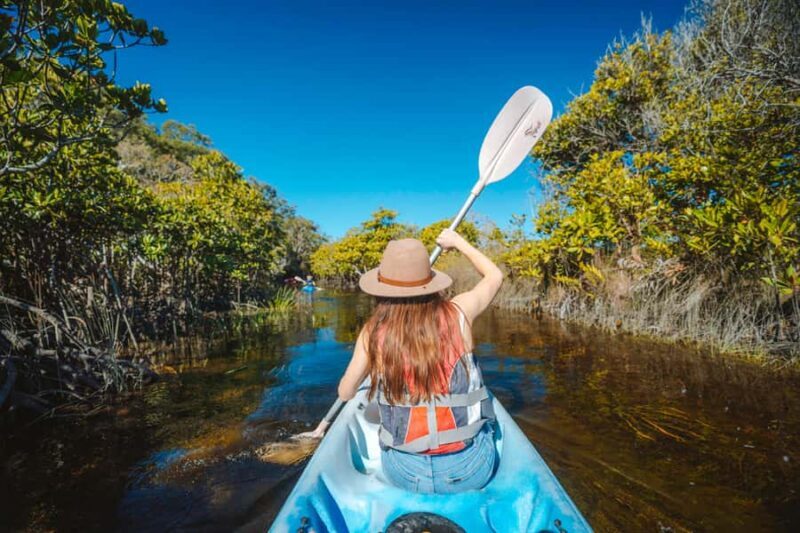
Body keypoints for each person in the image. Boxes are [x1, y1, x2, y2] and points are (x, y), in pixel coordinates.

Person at [330, 228, 503, 493]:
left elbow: (346, 392)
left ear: (382, 289)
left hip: (405, 473)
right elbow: (495, 276)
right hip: (470, 469)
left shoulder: (372, 332)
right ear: (430, 282)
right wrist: (458, 242)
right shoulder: (460, 312)